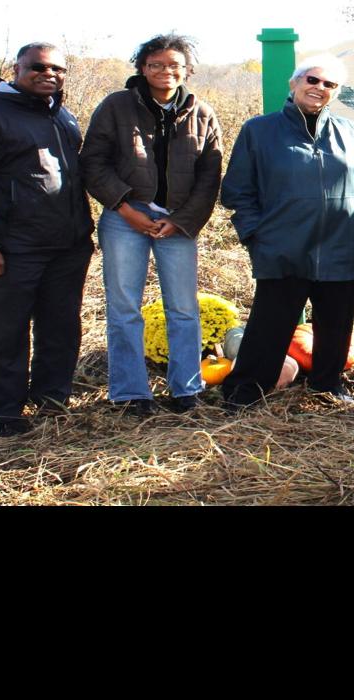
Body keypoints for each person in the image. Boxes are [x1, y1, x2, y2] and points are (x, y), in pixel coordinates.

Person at [0, 43, 94, 436]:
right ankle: (6, 411)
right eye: (38, 67)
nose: (49, 74)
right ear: (16, 68)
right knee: (7, 332)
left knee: (61, 326)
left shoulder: (63, 117)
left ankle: (52, 397)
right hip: (12, 250)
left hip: (68, 247)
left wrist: (85, 235)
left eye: (58, 69)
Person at [219, 54, 354, 408]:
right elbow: (237, 191)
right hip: (283, 248)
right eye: (312, 80)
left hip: (343, 246)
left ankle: (327, 384)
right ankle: (245, 390)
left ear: (335, 93)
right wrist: (255, 236)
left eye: (329, 85)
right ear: (294, 84)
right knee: (269, 325)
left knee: (336, 323)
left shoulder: (352, 132)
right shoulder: (259, 131)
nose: (319, 88)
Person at [81, 33, 224, 417]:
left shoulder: (202, 113)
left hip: (178, 222)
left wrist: (182, 222)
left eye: (175, 65)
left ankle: (186, 388)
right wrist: (126, 209)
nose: (166, 71)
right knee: (125, 307)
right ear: (142, 68)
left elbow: (210, 177)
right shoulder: (116, 107)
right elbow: (93, 163)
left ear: (187, 70)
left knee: (183, 307)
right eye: (156, 64)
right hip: (125, 216)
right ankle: (130, 392)